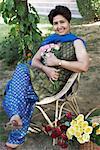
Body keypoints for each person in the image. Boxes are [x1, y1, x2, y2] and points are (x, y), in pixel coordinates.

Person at [2, 5, 89, 149]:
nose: (59, 26)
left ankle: (16, 125)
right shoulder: (50, 41)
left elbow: (84, 66)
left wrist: (58, 62)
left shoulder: (76, 42)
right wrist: (46, 68)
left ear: (69, 22)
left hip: (57, 85)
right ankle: (16, 122)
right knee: (23, 73)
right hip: (40, 79)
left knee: (18, 83)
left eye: (62, 22)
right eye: (56, 23)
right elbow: (35, 61)